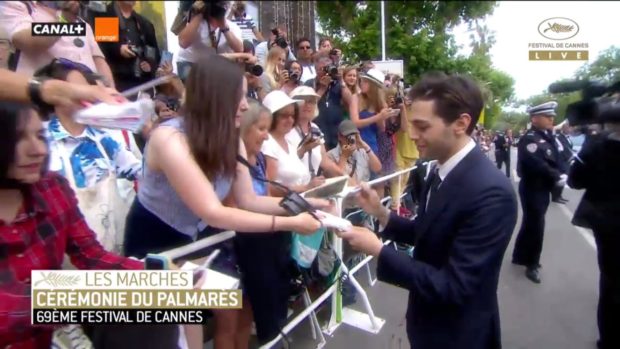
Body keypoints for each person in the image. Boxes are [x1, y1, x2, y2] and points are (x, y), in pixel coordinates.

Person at [122, 56, 324, 349]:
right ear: (215, 97)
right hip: (152, 245)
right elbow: (214, 212)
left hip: (193, 242)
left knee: (189, 327)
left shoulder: (232, 139)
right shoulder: (169, 140)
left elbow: (249, 200)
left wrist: (306, 204)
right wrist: (291, 222)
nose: (245, 104)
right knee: (159, 337)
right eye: (238, 96)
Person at [337, 73, 518, 349]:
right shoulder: (440, 168)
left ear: (461, 123)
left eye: (422, 126)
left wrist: (379, 251)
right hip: (426, 323)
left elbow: (454, 286)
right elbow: (429, 232)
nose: (411, 134)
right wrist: (380, 213)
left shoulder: (492, 194)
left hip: (457, 335)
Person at [0, 101, 146, 349]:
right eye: (17, 138)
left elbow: (92, 257)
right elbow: (8, 310)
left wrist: (156, 275)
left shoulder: (52, 188)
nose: (38, 150)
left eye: (39, 135)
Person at [36, 59, 141, 252]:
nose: (87, 94)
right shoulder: (39, 141)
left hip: (109, 251)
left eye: (86, 87)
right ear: (54, 95)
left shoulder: (105, 138)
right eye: (76, 88)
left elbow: (140, 171)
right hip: (57, 258)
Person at [234, 99, 291, 345]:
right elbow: (240, 206)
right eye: (261, 129)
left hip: (264, 246)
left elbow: (265, 200)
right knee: (232, 323)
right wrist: (294, 214)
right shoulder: (231, 161)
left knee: (250, 317)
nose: (267, 137)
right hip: (240, 250)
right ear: (244, 127)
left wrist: (300, 206)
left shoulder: (257, 160)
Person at [568, 121, 620, 349]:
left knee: (611, 283)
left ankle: (609, 339)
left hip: (608, 223)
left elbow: (575, 180)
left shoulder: (597, 147)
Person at [0, 0, 114, 86]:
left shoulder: (81, 22)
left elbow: (99, 62)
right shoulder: (18, 6)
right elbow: (25, 40)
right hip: (45, 103)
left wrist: (111, 90)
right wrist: (63, 22)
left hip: (91, 104)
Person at [511, 101, 564, 284]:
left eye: (552, 116)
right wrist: (556, 175)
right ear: (535, 119)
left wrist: (561, 172)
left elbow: (556, 157)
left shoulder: (546, 136)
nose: (551, 119)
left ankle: (519, 255)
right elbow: (537, 163)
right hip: (533, 188)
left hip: (542, 187)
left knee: (530, 223)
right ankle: (532, 264)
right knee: (536, 226)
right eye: (547, 116)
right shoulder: (530, 138)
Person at [261, 90, 325, 195]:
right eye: (284, 115)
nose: (290, 120)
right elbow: (269, 188)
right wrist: (306, 187)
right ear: (271, 117)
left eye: (292, 115)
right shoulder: (267, 144)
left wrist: (304, 149)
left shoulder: (288, 144)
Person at [98, 1, 160, 93]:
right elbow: (103, 49)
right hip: (116, 82)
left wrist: (149, 63)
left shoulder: (144, 23)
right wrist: (119, 49)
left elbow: (153, 52)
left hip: (141, 83)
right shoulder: (107, 15)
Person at [177, 0, 243, 82]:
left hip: (216, 67)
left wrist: (224, 28)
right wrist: (199, 15)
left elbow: (239, 49)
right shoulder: (197, 23)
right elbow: (183, 43)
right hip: (191, 63)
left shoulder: (232, 27)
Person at [287, 86, 343, 178]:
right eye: (302, 100)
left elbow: (325, 162)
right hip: (295, 187)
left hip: (313, 185)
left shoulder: (314, 128)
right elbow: (284, 165)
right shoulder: (286, 130)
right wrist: (303, 150)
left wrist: (346, 178)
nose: (307, 105)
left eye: (311, 101)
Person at [0, 68, 124, 109]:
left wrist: (110, 90)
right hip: (38, 95)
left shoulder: (86, 23)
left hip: (102, 93)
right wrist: (63, 20)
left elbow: (99, 58)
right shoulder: (106, 15)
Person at [304, 52, 348, 150]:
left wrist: (342, 81)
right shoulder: (309, 84)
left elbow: (350, 102)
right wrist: (322, 89)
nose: (325, 72)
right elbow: (308, 105)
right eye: (322, 69)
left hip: (337, 136)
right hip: (317, 137)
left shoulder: (337, 84)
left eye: (327, 68)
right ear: (315, 70)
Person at [328, 119, 382, 187]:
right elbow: (337, 180)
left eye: (353, 135)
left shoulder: (363, 151)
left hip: (363, 193)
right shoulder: (330, 155)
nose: (351, 139)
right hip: (346, 195)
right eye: (347, 135)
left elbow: (378, 169)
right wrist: (344, 157)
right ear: (340, 136)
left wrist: (365, 146)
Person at [552, 122, 573, 203]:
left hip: (567, 162)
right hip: (562, 162)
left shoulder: (567, 137)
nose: (569, 129)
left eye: (570, 128)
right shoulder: (559, 137)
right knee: (560, 179)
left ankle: (559, 195)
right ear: (563, 128)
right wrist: (570, 156)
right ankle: (555, 197)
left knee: (564, 180)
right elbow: (563, 150)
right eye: (568, 128)